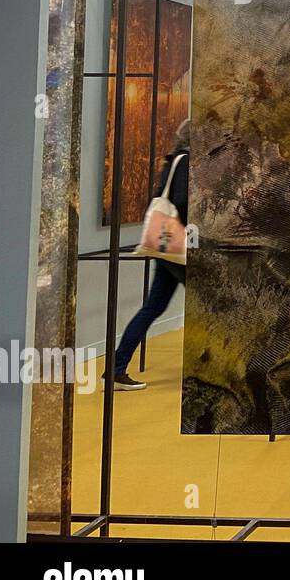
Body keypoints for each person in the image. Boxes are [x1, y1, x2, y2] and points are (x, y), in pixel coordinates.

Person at [109, 119, 189, 391]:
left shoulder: (172, 160)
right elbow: (181, 201)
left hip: (166, 247)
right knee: (216, 303)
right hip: (178, 246)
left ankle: (116, 369)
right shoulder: (186, 161)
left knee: (153, 307)